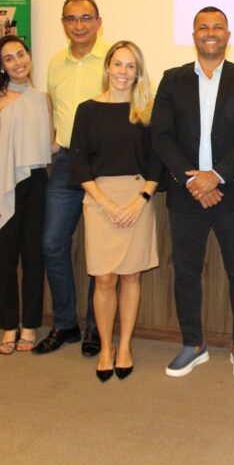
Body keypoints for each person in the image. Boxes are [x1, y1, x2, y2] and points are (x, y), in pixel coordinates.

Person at [151, 6, 234, 380]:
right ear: (194, 35)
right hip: (185, 194)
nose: (211, 32)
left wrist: (215, 177)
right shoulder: (172, 80)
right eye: (204, 27)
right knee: (186, 271)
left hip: (233, 193)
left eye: (218, 26)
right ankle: (193, 344)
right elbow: (161, 136)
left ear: (228, 35)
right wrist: (194, 181)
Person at [69, 41, 163, 382]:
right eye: (118, 64)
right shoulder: (87, 110)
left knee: (131, 275)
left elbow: (157, 162)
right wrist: (105, 203)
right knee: (104, 277)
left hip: (138, 198)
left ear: (138, 72)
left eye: (131, 66)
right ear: (107, 66)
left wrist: (140, 200)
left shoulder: (147, 111)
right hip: (98, 200)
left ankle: (125, 346)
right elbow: (79, 162)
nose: (124, 72)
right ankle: (106, 347)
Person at [35, 0, 109, 356]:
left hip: (105, 166)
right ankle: (65, 324)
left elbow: (142, 103)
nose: (78, 25)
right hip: (66, 162)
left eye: (85, 18)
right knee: (52, 242)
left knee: (100, 248)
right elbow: (54, 108)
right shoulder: (55, 62)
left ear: (98, 22)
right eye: (70, 19)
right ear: (63, 23)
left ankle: (96, 325)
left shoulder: (115, 58)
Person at [0, 35, 54, 354]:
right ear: (2, 66)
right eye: (9, 58)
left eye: (21, 54)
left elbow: (49, 145)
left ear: (29, 56)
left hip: (36, 184)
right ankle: (9, 326)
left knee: (34, 259)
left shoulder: (43, 99)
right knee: (4, 260)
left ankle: (30, 325)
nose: (18, 62)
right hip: (2, 186)